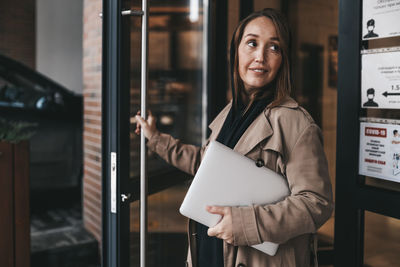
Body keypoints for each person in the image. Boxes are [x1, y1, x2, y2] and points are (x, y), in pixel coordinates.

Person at [136, 8, 333, 267]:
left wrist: (245, 224)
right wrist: (155, 138)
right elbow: (205, 165)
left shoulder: (296, 122)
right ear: (236, 51)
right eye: (252, 43)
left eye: (273, 48)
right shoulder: (230, 111)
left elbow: (316, 203)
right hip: (210, 252)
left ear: (283, 59)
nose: (260, 57)